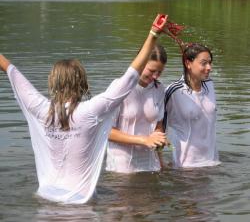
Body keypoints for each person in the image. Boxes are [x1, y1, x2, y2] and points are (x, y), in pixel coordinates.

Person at [0, 14, 168, 204]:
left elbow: (12, 72)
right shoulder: (90, 111)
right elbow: (130, 78)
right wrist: (153, 33)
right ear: (83, 84)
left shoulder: (41, 109)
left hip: (46, 197)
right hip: (80, 203)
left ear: (52, 83)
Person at [106, 43, 168, 173]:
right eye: (151, 71)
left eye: (159, 72)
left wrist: (159, 137)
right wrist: (143, 140)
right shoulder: (119, 87)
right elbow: (107, 132)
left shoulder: (159, 89)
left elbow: (158, 125)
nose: (155, 76)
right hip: (122, 165)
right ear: (141, 62)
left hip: (150, 164)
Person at [163, 43, 221, 168]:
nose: (209, 67)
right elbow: (158, 127)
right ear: (188, 63)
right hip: (186, 167)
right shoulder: (174, 91)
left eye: (210, 63)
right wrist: (160, 162)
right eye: (204, 63)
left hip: (213, 163)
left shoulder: (210, 85)